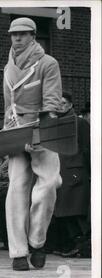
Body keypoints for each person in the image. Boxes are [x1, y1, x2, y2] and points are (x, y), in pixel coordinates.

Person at [3, 18, 63, 271]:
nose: (17, 39)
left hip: (43, 131)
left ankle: (37, 242)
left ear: (33, 36)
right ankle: (18, 252)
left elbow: (51, 102)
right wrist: (8, 135)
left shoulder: (47, 63)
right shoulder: (8, 67)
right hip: (16, 132)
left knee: (49, 184)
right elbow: (8, 107)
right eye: (14, 34)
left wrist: (38, 134)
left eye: (23, 34)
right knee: (16, 189)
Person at [53, 92, 91, 257]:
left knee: (76, 212)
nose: (59, 106)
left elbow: (88, 148)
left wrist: (88, 172)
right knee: (64, 212)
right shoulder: (56, 123)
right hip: (62, 173)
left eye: (62, 103)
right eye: (57, 103)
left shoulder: (80, 123)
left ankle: (83, 246)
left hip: (76, 173)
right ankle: (76, 244)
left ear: (70, 105)